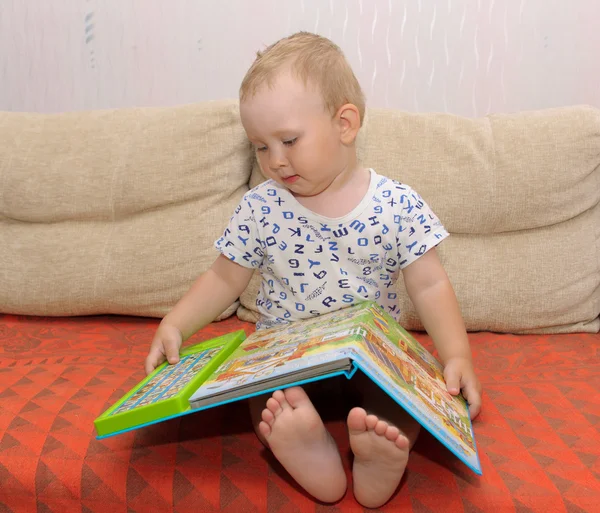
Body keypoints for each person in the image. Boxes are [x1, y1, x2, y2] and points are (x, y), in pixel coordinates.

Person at [145, 32, 482, 509]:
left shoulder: (397, 204)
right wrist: (176, 323)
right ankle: (310, 452)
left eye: (288, 140)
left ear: (345, 123)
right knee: (265, 398)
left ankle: (378, 455)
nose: (275, 161)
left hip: (369, 360)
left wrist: (458, 356)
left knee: (407, 397)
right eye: (260, 147)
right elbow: (225, 276)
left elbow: (429, 284)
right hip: (284, 359)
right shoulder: (260, 206)